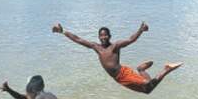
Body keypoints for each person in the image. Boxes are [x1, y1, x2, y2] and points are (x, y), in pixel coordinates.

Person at [51, 22, 182, 94]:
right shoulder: (97, 48)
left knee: (148, 85)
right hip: (118, 79)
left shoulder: (115, 46)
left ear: (109, 36)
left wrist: (140, 30)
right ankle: (141, 70)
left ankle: (166, 69)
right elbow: (78, 39)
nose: (103, 37)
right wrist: (63, 31)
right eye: (101, 36)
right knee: (147, 91)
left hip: (123, 73)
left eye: (105, 35)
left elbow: (131, 40)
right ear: (98, 37)